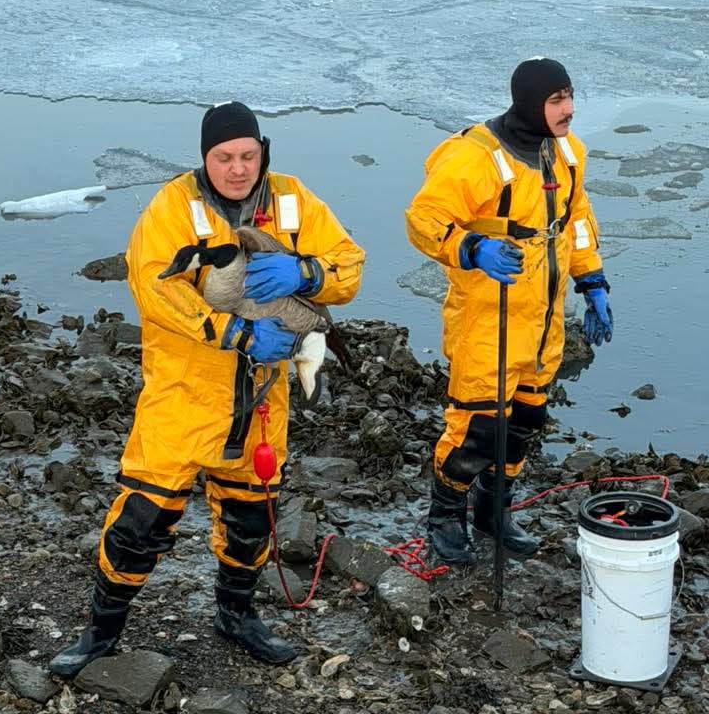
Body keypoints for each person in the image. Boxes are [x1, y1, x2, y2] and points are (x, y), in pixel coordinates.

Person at [50, 102, 365, 677]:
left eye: (247, 155)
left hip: (260, 400)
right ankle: (100, 632)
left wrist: (306, 273)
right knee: (140, 522)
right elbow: (155, 288)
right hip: (184, 396)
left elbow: (349, 264)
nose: (237, 168)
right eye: (224, 157)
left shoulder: (292, 199)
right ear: (205, 157)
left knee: (251, 521)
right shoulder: (173, 206)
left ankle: (236, 616)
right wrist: (237, 333)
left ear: (262, 152)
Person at [405, 58, 613, 565]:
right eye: (556, 100)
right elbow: (424, 220)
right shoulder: (474, 158)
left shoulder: (567, 153)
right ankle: (445, 517)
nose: (568, 109)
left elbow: (576, 219)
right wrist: (472, 248)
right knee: (478, 430)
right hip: (487, 318)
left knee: (525, 420)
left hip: (542, 323)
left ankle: (492, 511)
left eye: (570, 96)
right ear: (529, 103)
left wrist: (591, 280)